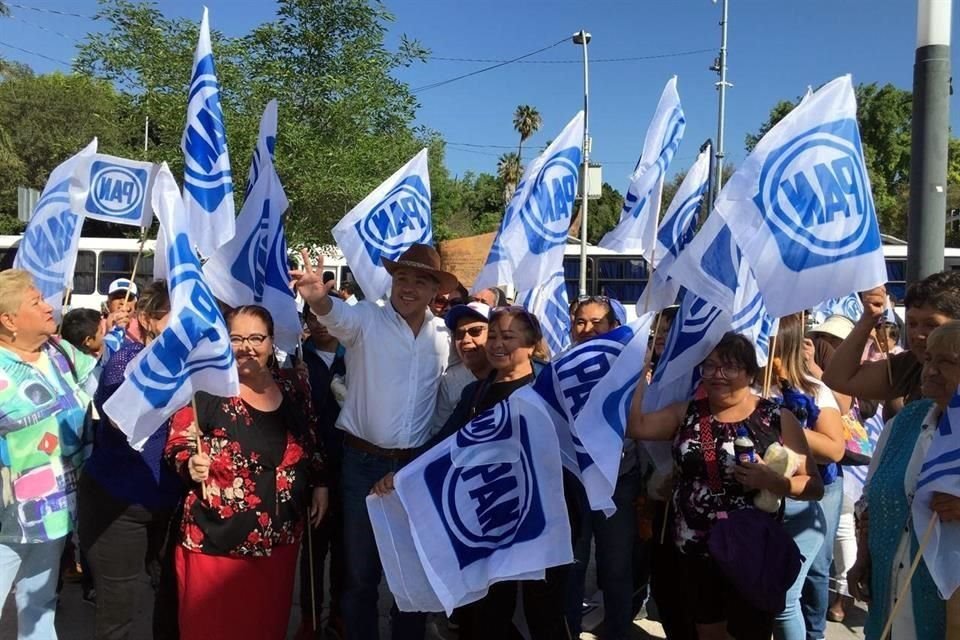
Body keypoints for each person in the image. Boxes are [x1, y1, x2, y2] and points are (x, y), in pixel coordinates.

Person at [291, 243, 457, 640]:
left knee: (411, 576)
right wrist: (319, 300)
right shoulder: (368, 318)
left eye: (420, 280)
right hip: (361, 466)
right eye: (402, 278)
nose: (409, 287)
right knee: (360, 574)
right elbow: (339, 317)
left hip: (414, 468)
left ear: (435, 289)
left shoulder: (443, 335)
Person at [374, 306, 572, 639]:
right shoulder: (475, 393)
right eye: (493, 335)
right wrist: (402, 476)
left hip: (544, 519)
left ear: (532, 342)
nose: (497, 344)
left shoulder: (552, 388)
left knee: (546, 613)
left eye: (508, 337)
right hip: (492, 517)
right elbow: (443, 444)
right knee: (490, 613)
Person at [628, 332, 823, 640]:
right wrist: (638, 373)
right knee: (709, 631)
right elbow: (636, 426)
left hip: (753, 550)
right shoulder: (687, 412)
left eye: (729, 367)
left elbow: (814, 485)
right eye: (710, 366)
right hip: (695, 549)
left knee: (751, 631)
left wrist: (774, 481)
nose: (717, 375)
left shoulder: (776, 417)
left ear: (749, 373)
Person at [164, 305, 328, 640]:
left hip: (279, 536)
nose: (247, 347)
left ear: (271, 341)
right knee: (212, 628)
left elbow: (311, 435)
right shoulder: (206, 387)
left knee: (264, 625)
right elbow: (178, 442)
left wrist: (320, 482)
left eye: (256, 338)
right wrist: (189, 463)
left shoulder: (294, 384)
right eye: (236, 338)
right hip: (218, 538)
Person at [79, 281, 182, 640]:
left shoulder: (188, 358)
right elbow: (118, 409)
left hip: (170, 503)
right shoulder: (124, 361)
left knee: (174, 604)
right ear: (152, 319)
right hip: (119, 505)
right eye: (179, 317)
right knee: (118, 611)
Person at [0, 269, 97, 640]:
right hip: (7, 519)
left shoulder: (60, 352)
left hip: (53, 514)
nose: (47, 306)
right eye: (36, 301)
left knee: (38, 604)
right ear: (9, 320)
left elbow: (113, 379)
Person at [848, 320, 960, 639]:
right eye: (928, 359)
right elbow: (872, 498)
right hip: (892, 591)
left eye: (947, 362)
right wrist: (863, 557)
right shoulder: (907, 421)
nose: (932, 370)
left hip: (947, 610)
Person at [564, 296, 640, 640]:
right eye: (581, 322)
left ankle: (618, 632)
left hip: (618, 482)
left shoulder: (632, 369)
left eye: (598, 322)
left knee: (616, 569)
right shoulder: (559, 368)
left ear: (613, 327)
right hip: (572, 483)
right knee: (571, 567)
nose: (588, 329)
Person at [766, 314, 845, 640]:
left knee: (800, 587)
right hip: (760, 503)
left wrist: (780, 421)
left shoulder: (815, 390)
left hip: (807, 499)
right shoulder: (745, 386)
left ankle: (815, 633)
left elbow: (834, 449)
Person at [823, 271, 960, 418]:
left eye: (931, 324)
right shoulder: (911, 365)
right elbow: (838, 379)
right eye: (912, 323)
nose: (917, 334)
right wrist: (869, 317)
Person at [297, 305, 347, 640]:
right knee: (314, 551)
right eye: (311, 318)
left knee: (346, 550)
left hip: (350, 467)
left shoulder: (356, 355)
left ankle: (341, 616)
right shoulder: (297, 361)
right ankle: (310, 619)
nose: (319, 324)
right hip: (313, 469)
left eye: (324, 317)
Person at [433, 301, 493, 432]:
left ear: (494, 334)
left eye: (475, 331)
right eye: (459, 334)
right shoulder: (450, 380)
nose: (465, 339)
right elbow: (439, 431)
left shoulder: (510, 375)